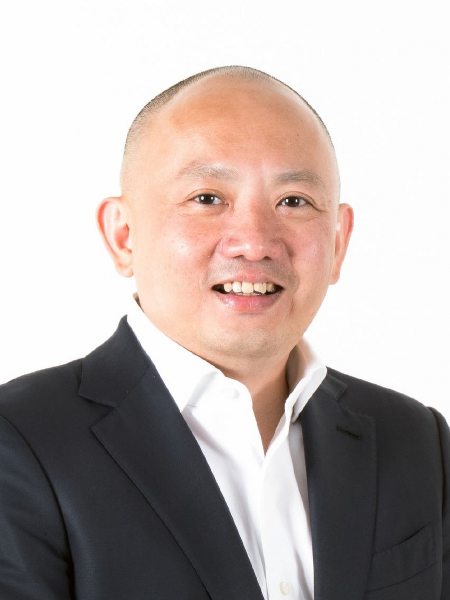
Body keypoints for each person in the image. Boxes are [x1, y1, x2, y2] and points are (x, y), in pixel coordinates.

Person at [0, 66, 448, 600]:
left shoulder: (417, 441)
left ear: (338, 241)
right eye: (208, 198)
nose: (254, 242)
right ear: (123, 236)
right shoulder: (19, 442)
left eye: (294, 201)